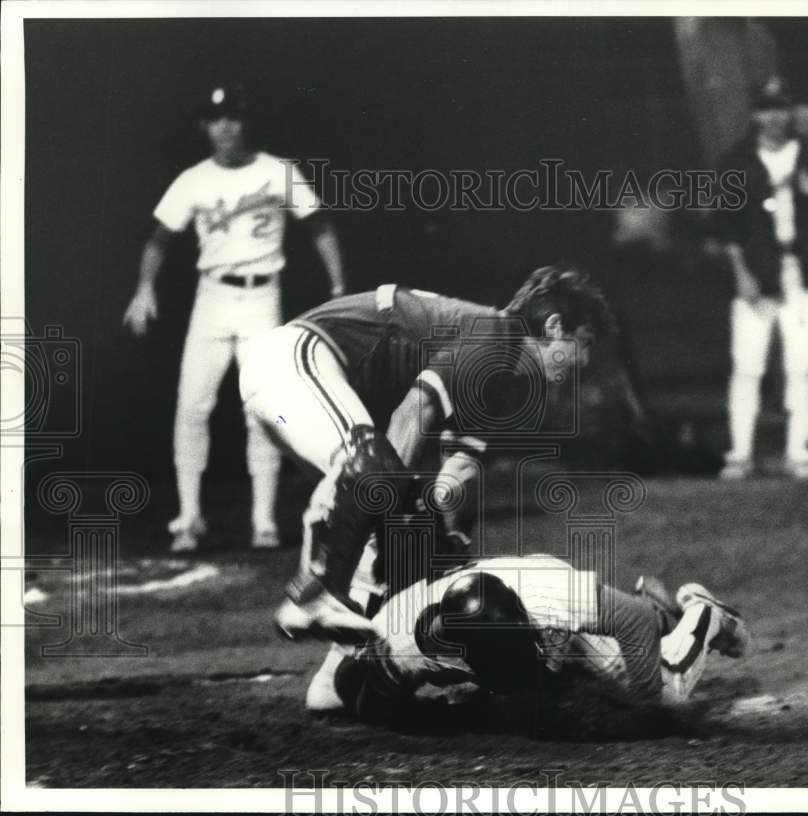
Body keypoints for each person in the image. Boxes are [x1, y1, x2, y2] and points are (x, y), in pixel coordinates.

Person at [238, 265, 615, 644]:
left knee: (407, 511)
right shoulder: (495, 336)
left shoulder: (508, 378)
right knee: (380, 478)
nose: (584, 361)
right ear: (553, 326)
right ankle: (314, 598)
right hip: (288, 363)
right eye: (584, 343)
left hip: (306, 384)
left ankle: (350, 670)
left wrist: (451, 552)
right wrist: (397, 519)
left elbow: (458, 475)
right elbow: (410, 415)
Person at [122, 82, 346, 552]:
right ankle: (189, 518)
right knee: (191, 405)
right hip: (212, 298)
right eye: (215, 118)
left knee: (260, 409)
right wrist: (144, 288)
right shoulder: (194, 179)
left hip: (263, 295)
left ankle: (263, 521)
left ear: (246, 122)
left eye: (234, 117)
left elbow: (319, 225)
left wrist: (338, 286)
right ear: (204, 126)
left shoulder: (278, 171)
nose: (225, 126)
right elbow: (158, 239)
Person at [301, 553, 748, 721]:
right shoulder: (405, 644)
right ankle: (665, 615)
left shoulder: (545, 596)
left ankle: (701, 613)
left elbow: (629, 619)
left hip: (558, 614)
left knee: (664, 696)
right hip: (462, 640)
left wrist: (646, 710)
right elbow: (354, 693)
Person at [716, 77, 808, 480]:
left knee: (800, 364)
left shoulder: (807, 153)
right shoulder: (737, 160)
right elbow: (727, 227)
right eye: (767, 109)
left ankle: (797, 450)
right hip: (757, 273)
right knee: (748, 365)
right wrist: (742, 275)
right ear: (755, 114)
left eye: (783, 108)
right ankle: (740, 453)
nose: (775, 117)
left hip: (799, 271)